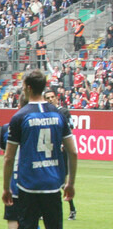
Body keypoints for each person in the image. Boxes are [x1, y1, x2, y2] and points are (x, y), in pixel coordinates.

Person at [3, 70, 77, 229]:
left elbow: (8, 157)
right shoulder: (59, 115)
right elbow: (73, 152)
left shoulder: (20, 116)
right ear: (44, 87)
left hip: (27, 185)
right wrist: (70, 183)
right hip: (53, 184)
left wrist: (6, 187)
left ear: (26, 87)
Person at [48, 89, 77, 220]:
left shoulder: (63, 112)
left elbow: (71, 126)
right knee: (48, 180)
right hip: (49, 151)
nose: (50, 100)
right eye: (47, 97)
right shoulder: (45, 113)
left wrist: (62, 143)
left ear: (56, 98)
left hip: (61, 151)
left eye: (52, 97)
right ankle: (46, 211)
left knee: (61, 182)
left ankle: (72, 208)